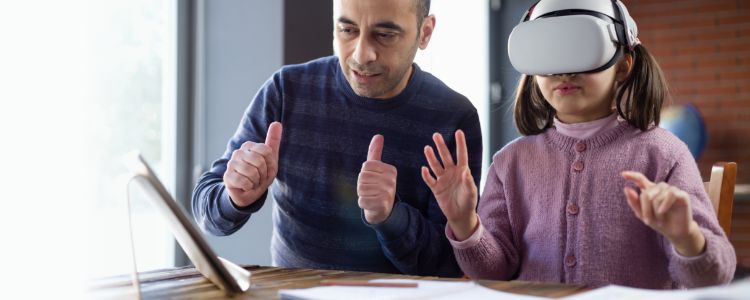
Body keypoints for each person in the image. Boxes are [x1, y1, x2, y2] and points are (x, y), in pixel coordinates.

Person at [420, 0, 736, 289]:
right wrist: (466, 225)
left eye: (582, 49)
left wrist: (687, 238)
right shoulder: (509, 163)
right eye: (550, 54)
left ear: (623, 65)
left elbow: (714, 276)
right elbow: (493, 273)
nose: (563, 70)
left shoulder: (665, 154)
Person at [192, 0, 482, 277]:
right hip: (293, 291)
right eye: (347, 30)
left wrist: (392, 218)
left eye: (384, 35)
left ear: (425, 32)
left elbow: (451, 265)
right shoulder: (285, 91)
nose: (361, 55)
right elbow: (206, 211)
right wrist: (235, 197)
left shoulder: (452, 118)